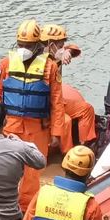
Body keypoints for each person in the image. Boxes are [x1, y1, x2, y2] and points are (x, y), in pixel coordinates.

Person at [0, 19, 64, 211]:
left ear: (38, 45)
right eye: (21, 45)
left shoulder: (50, 67)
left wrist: (57, 133)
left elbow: (56, 102)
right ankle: (5, 204)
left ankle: (25, 208)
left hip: (37, 129)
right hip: (9, 126)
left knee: (32, 173)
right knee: (7, 168)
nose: (23, 49)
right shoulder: (5, 64)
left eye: (28, 45)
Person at [41, 24, 97, 153]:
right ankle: (68, 154)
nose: (62, 49)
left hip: (59, 102)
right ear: (50, 45)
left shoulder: (56, 54)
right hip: (47, 107)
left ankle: (85, 145)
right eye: (60, 46)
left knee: (87, 109)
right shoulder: (41, 65)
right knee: (65, 121)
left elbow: (75, 49)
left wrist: (68, 51)